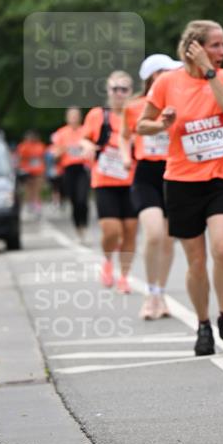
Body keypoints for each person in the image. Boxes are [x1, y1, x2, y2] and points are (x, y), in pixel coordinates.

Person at [137, 19, 223, 356]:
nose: (222, 52)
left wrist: (208, 70)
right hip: (182, 181)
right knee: (196, 262)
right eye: (215, 45)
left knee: (221, 248)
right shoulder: (167, 83)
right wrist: (161, 124)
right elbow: (142, 125)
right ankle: (203, 325)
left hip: (222, 178)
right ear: (194, 47)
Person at [121, 54, 182, 319]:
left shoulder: (181, 103)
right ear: (151, 77)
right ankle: (150, 292)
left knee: (169, 239)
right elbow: (125, 136)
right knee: (154, 233)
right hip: (146, 173)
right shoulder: (135, 106)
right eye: (163, 72)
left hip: (175, 172)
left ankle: (160, 292)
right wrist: (126, 157)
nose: (169, 77)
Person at [81, 72, 138, 291]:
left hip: (132, 181)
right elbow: (85, 138)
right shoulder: (98, 116)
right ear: (108, 91)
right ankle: (107, 261)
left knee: (130, 230)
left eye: (124, 89)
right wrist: (86, 146)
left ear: (131, 92)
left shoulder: (135, 115)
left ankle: (124, 276)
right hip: (104, 181)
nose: (119, 93)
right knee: (112, 230)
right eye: (115, 88)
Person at [51, 107, 90, 242]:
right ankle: (77, 228)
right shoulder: (61, 133)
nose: (74, 118)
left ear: (80, 117)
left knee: (82, 199)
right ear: (67, 118)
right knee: (74, 201)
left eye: (76, 116)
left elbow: (92, 148)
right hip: (68, 170)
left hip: (83, 168)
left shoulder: (86, 130)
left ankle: (84, 225)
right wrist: (63, 150)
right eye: (71, 116)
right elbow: (55, 155)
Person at [16, 130, 46, 218]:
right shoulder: (23, 146)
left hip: (38, 170)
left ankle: (37, 206)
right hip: (27, 171)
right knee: (28, 189)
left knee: (37, 189)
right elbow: (20, 157)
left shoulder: (40, 145)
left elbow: (42, 157)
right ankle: (30, 204)